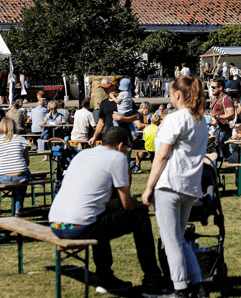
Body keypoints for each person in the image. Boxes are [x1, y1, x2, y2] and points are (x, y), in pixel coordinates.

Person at [49, 126, 163, 295]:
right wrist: (139, 204)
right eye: (127, 148)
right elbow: (126, 204)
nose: (126, 152)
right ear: (120, 145)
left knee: (103, 219)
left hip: (57, 224)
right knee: (140, 216)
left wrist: (125, 203)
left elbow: (98, 202)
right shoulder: (116, 157)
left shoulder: (84, 154)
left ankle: (105, 278)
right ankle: (153, 279)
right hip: (79, 227)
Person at [140, 76, 208, 298]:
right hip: (190, 186)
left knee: (171, 241)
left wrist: (149, 187)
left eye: (170, 93)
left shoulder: (175, 119)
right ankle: (197, 284)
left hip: (169, 185)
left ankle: (180, 289)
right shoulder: (201, 120)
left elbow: (161, 155)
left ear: (177, 95)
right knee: (178, 238)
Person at [0, 118, 31, 216]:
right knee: (26, 174)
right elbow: (27, 161)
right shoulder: (21, 139)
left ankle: (17, 208)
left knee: (20, 180)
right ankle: (18, 209)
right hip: (19, 175)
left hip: (3, 176)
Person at [209, 79, 236, 159]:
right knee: (226, 153)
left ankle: (214, 170)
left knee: (213, 150)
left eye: (213, 87)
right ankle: (236, 164)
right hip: (216, 129)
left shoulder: (226, 99)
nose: (212, 89)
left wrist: (218, 117)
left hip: (223, 130)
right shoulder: (215, 98)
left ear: (220, 87)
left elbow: (231, 114)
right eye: (211, 87)